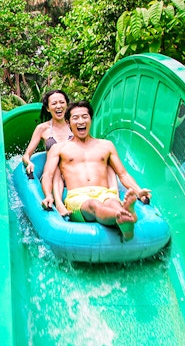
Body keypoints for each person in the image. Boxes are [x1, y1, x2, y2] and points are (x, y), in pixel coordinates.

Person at [41, 101, 151, 239]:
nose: (81, 121)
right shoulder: (59, 148)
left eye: (85, 117)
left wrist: (138, 191)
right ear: (68, 123)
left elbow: (122, 174)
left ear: (91, 120)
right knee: (94, 205)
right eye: (75, 118)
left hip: (105, 193)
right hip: (78, 197)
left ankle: (124, 217)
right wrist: (48, 196)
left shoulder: (106, 145)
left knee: (113, 202)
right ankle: (123, 216)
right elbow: (48, 175)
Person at [21, 90, 73, 215]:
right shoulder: (43, 128)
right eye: (54, 103)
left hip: (72, 172)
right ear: (48, 108)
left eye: (62, 102)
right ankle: (54, 200)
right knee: (56, 164)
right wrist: (29, 163)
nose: (58, 106)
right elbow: (26, 155)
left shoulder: (74, 125)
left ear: (67, 105)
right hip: (53, 173)